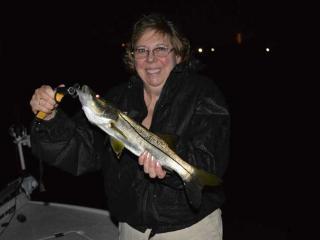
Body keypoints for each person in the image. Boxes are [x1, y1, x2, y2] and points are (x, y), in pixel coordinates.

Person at [29, 13, 230, 240]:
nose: (151, 59)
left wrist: (170, 169)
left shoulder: (204, 93)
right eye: (142, 51)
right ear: (132, 57)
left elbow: (211, 161)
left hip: (190, 229)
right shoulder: (118, 99)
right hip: (130, 229)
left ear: (179, 55)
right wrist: (50, 119)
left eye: (161, 49)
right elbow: (79, 152)